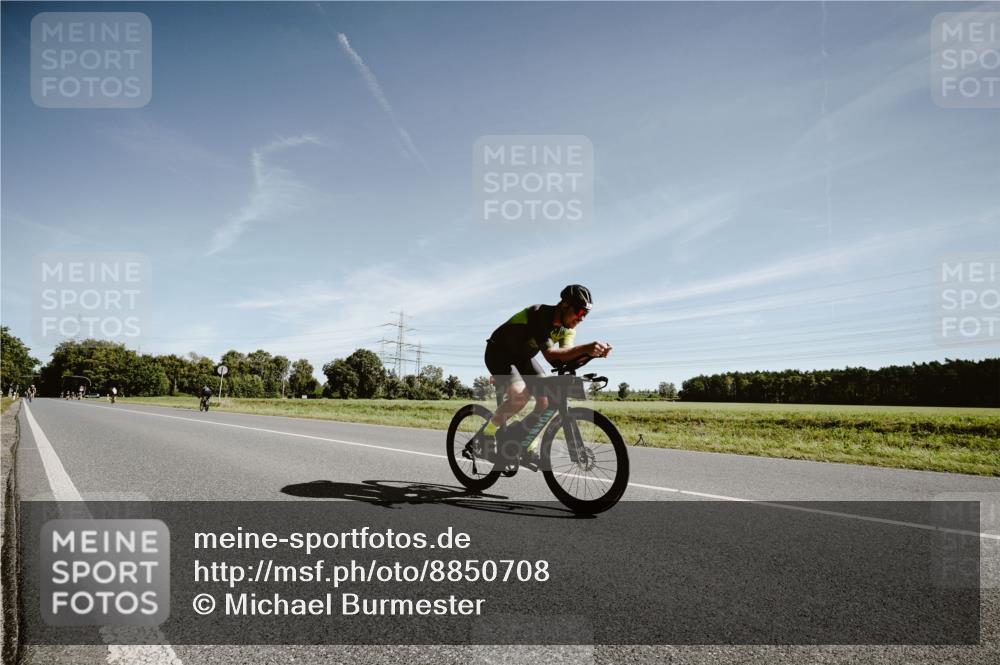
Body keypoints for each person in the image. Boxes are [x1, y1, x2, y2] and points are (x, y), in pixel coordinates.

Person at [481, 284, 612, 459]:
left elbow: (565, 357)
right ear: (565, 304)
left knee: (546, 401)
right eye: (580, 311)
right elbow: (551, 356)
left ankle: (524, 441)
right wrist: (585, 348)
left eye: (586, 314)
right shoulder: (540, 314)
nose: (581, 318)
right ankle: (486, 434)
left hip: (523, 358)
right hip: (499, 352)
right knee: (520, 396)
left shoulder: (568, 329)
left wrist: (591, 353)